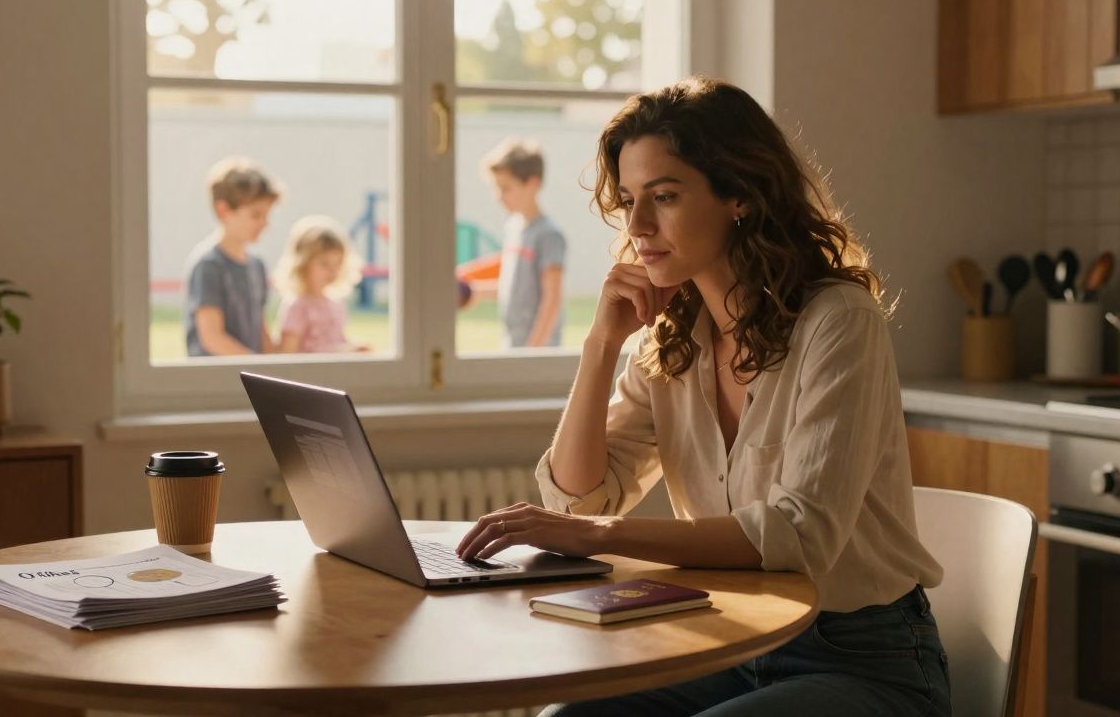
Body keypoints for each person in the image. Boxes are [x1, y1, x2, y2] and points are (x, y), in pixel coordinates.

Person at [455, 77, 950, 716]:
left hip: (863, 658)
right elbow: (579, 494)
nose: (636, 225)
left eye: (663, 196)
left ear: (739, 194)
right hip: (728, 642)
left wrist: (597, 533)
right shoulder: (671, 340)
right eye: (629, 199)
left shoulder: (839, 320)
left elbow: (801, 537)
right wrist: (601, 347)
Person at [184, 157, 281, 356]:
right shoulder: (209, 266)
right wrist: (257, 368)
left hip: (246, 381)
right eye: (256, 215)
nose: (265, 223)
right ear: (223, 210)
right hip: (215, 382)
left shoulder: (257, 266)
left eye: (266, 215)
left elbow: (261, 331)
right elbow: (212, 338)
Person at [481, 137, 566, 348]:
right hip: (512, 345)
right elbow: (515, 288)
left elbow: (552, 300)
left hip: (537, 351)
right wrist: (474, 292)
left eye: (505, 188)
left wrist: (532, 350)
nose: (498, 196)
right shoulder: (513, 228)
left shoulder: (549, 235)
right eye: (496, 188)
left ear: (533, 184)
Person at [273, 215, 368, 353]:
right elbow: (288, 353)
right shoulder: (297, 306)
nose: (332, 271)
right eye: (325, 264)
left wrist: (354, 347)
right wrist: (337, 352)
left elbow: (337, 339)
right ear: (303, 264)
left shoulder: (336, 304)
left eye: (337, 263)